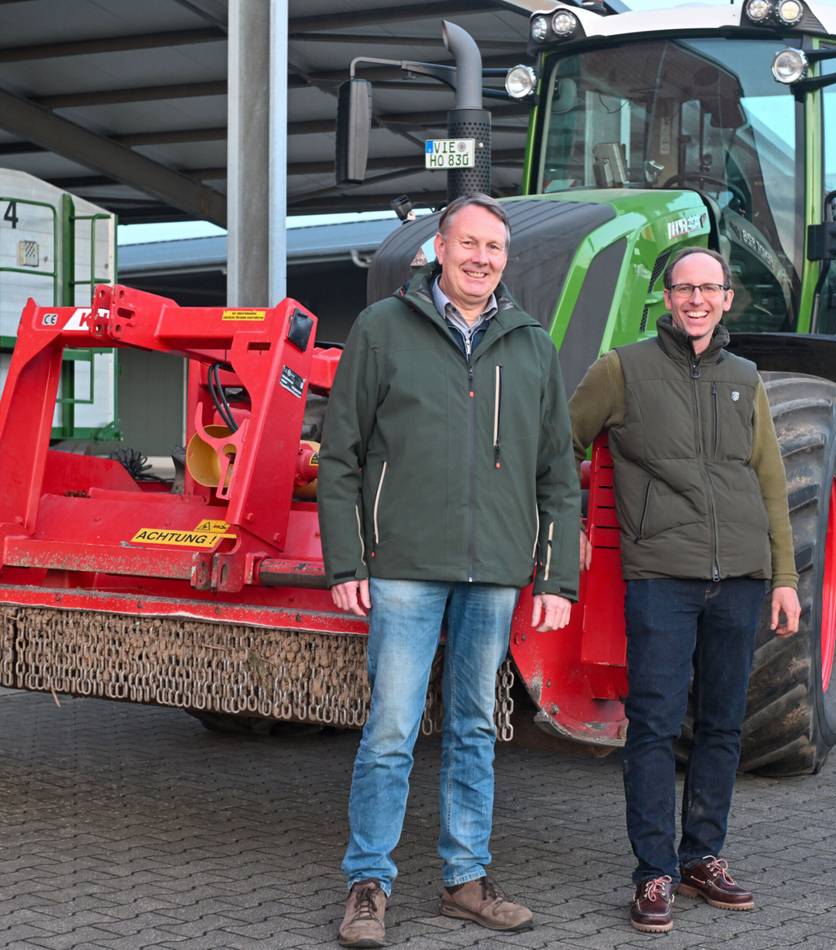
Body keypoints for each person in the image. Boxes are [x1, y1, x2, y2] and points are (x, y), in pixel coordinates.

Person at [318, 193, 580, 948]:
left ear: (506, 259)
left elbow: (557, 473)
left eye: (494, 248)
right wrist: (347, 559)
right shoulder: (383, 329)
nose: (481, 258)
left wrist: (555, 578)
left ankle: (466, 878)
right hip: (403, 564)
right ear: (439, 248)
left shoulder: (531, 344)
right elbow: (341, 456)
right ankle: (369, 883)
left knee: (473, 726)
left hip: (495, 567)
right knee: (392, 728)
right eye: (468, 244)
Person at [569, 246, 800, 934]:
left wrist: (784, 577)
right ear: (665, 298)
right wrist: (568, 519)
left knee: (724, 727)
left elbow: (771, 485)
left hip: (740, 580)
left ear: (728, 299)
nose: (696, 299)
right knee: (655, 727)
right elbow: (560, 443)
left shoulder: (745, 378)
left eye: (709, 288)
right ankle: (654, 873)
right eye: (684, 288)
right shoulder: (623, 369)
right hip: (661, 578)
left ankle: (702, 857)